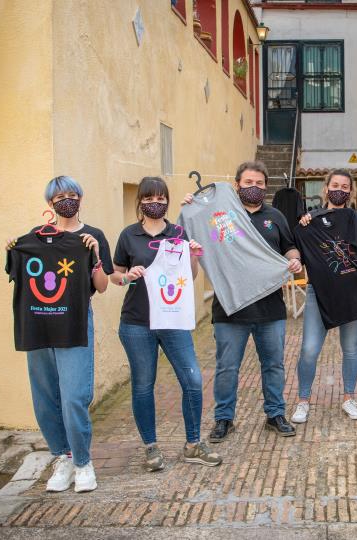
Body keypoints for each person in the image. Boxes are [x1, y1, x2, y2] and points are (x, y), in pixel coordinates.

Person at [182, 162, 303, 442]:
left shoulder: (275, 216)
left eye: (260, 183)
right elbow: (184, 237)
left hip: (270, 307)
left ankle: (275, 414)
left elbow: (289, 246)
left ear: (266, 186)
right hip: (229, 309)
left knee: (273, 364)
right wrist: (191, 207)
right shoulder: (218, 215)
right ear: (237, 184)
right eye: (249, 182)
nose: (254, 187)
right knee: (227, 367)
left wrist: (294, 259)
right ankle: (224, 419)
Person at [5, 176, 112, 493]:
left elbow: (103, 286)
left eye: (72, 194)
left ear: (81, 197)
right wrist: (12, 248)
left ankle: (82, 461)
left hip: (74, 323)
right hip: (37, 325)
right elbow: (15, 269)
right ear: (49, 203)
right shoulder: (30, 242)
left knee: (74, 397)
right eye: (59, 196)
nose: (67, 199)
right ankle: (63, 457)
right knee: (45, 399)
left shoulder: (92, 237)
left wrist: (94, 258)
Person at [112, 176, 220, 472]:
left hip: (173, 321)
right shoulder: (128, 235)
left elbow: (191, 276)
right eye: (149, 198)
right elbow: (115, 275)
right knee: (143, 385)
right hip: (137, 323)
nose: (155, 203)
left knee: (193, 380)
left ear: (167, 201)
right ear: (140, 202)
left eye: (160, 198)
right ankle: (150, 447)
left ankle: (193, 444)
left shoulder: (178, 233)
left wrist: (195, 256)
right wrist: (127, 277)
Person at [290, 170, 357, 424]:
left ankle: (349, 398)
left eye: (345, 187)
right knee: (310, 349)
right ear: (325, 189)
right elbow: (297, 253)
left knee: (351, 348)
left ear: (351, 192)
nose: (340, 190)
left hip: (353, 291)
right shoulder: (309, 222)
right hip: (319, 292)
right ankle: (303, 400)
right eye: (335, 185)